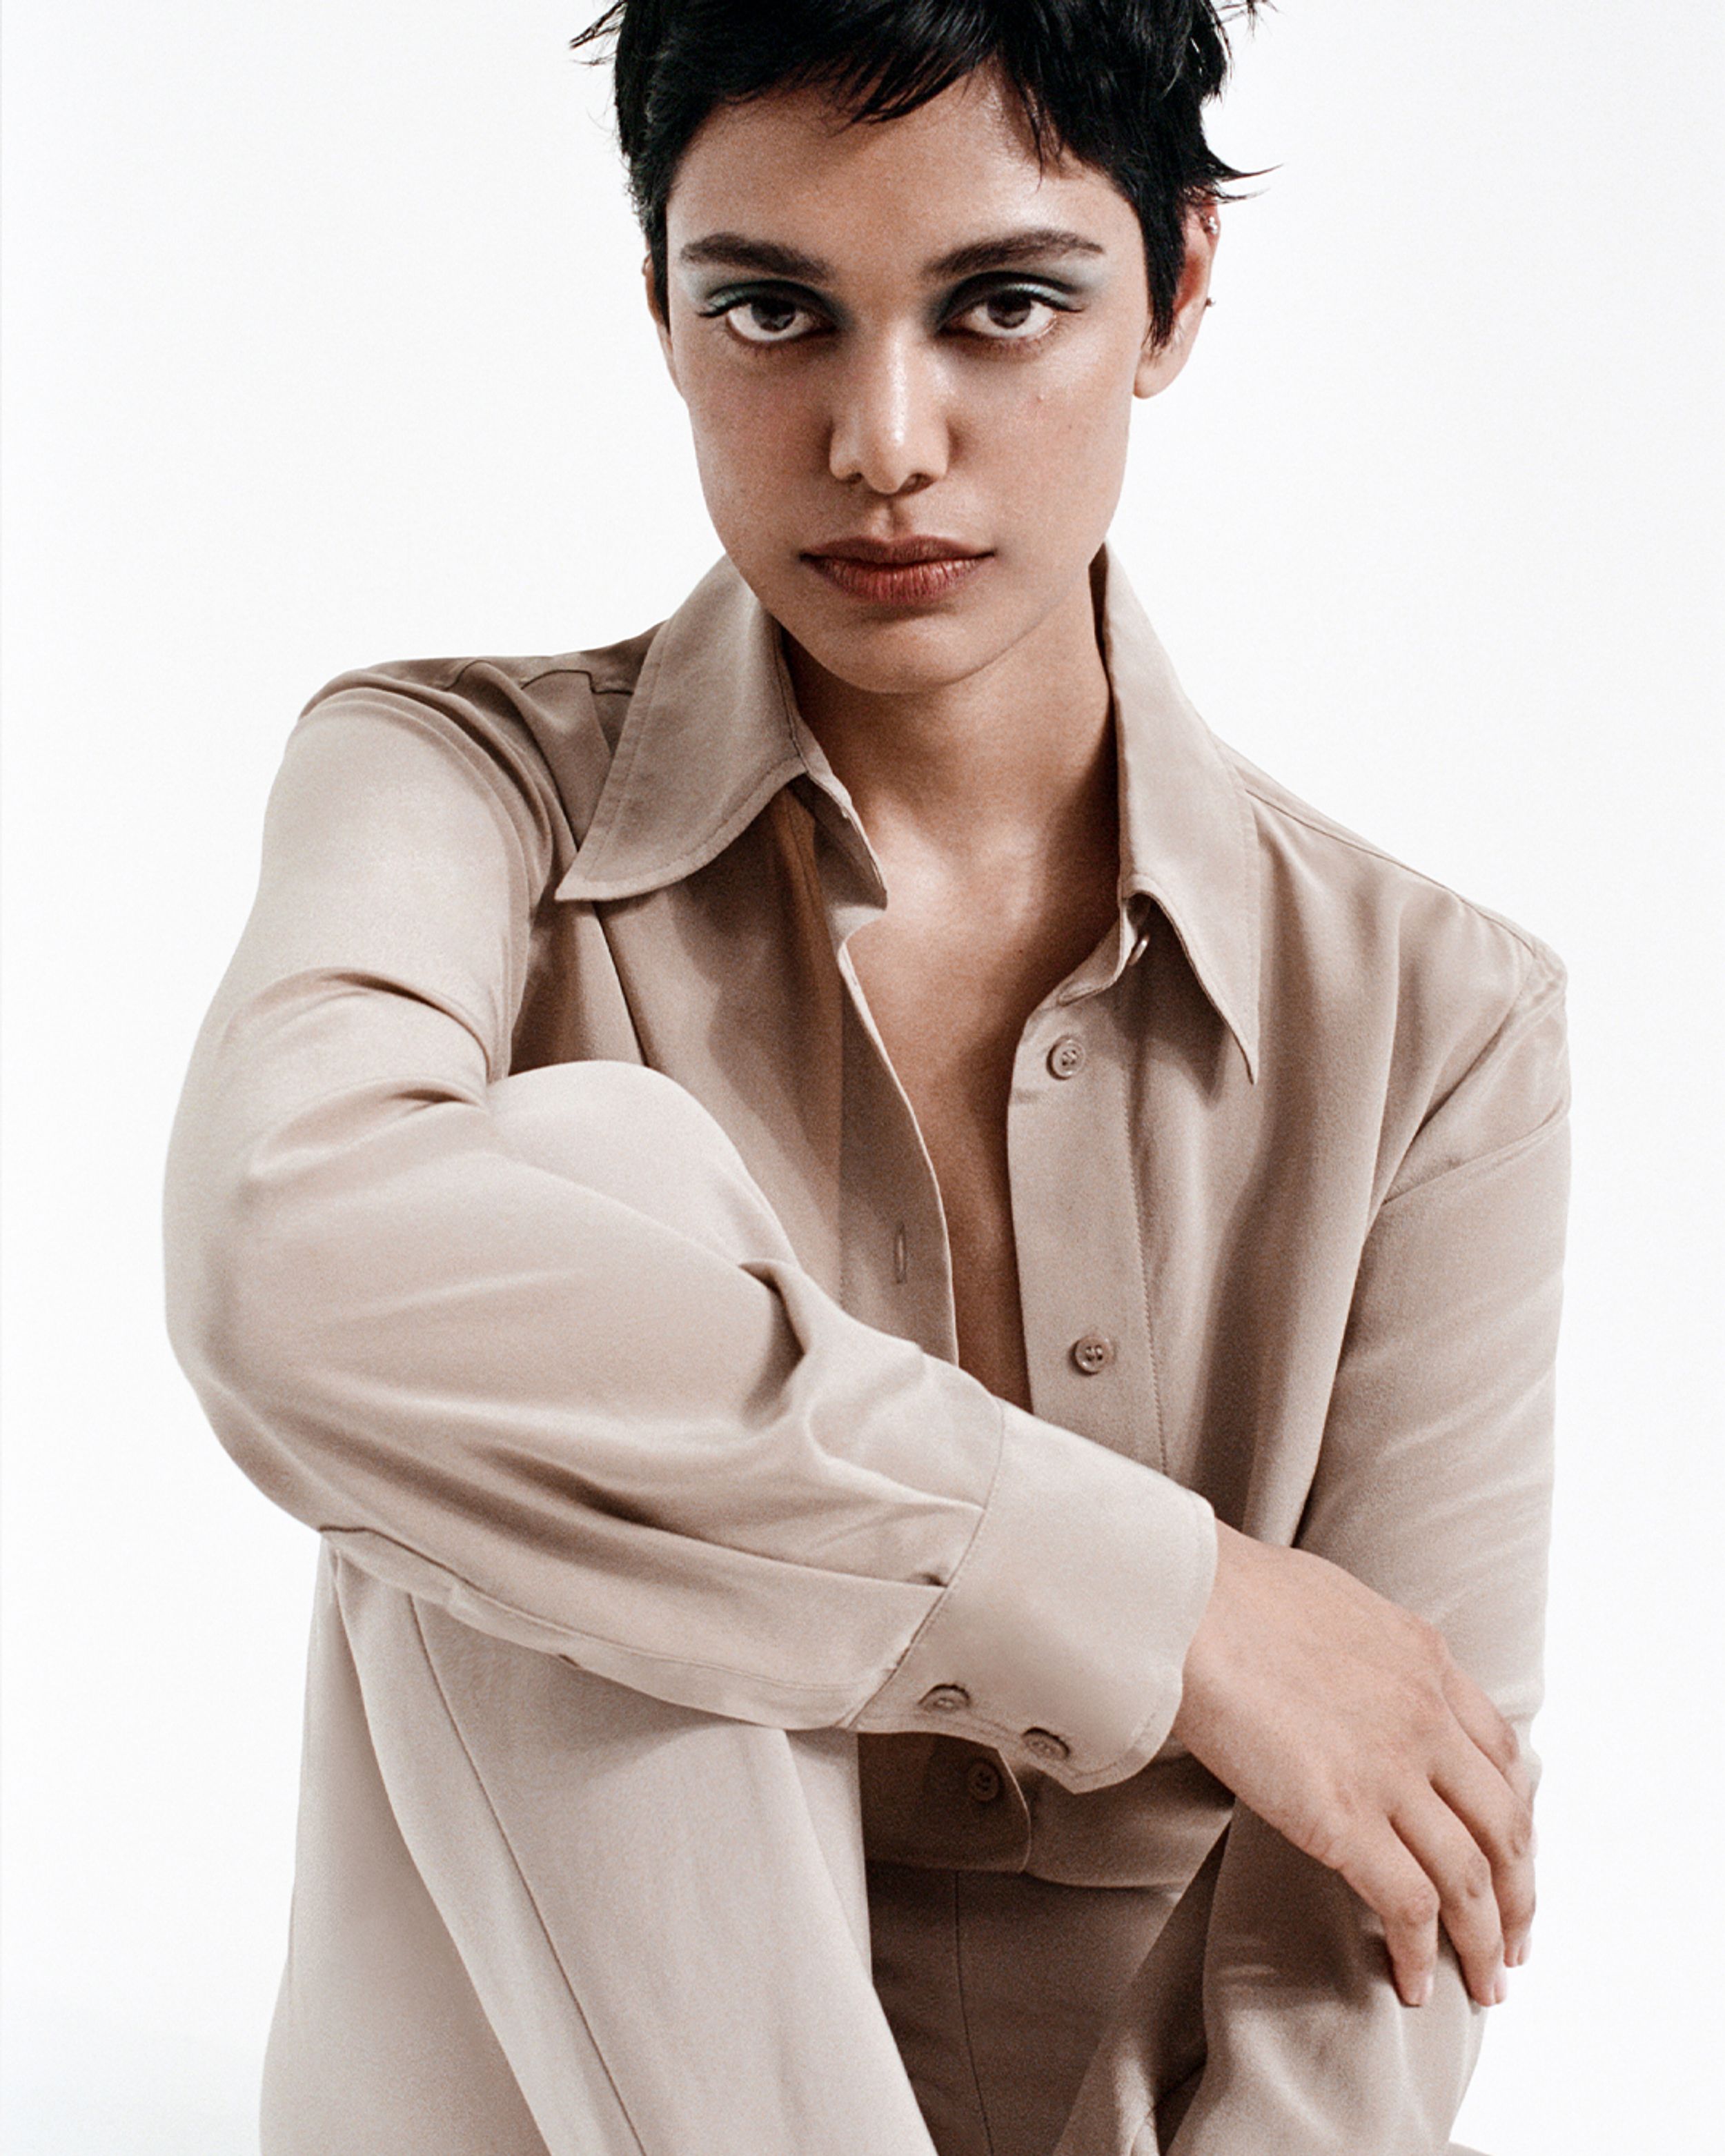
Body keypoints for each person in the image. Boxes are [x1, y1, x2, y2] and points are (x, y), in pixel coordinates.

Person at [163, 3, 1567, 2151]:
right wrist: (1168, 1602)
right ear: (661, 312)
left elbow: (1387, 1892)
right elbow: (282, 1259)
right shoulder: (458, 789)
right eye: (772, 311)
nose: (881, 438)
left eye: (1002, 305)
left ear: (1179, 284)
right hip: (513, 2101)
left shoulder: (1435, 1013)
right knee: (584, 1176)